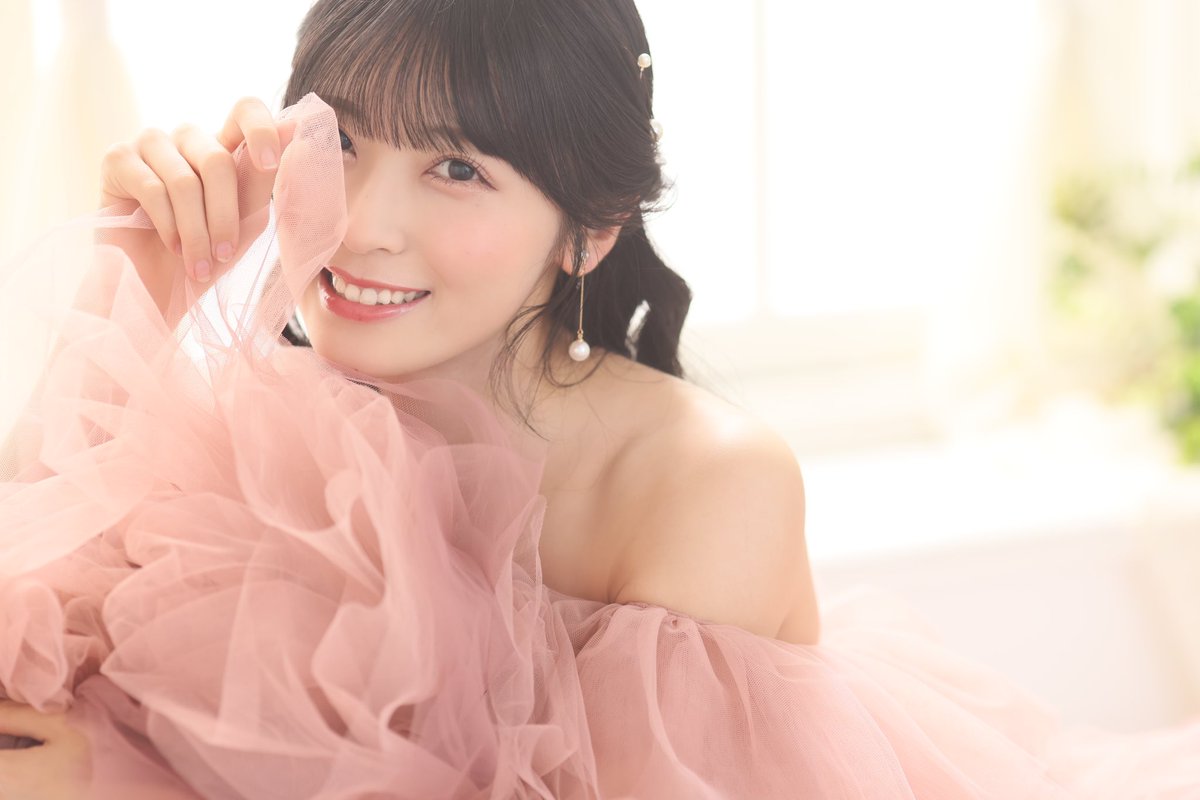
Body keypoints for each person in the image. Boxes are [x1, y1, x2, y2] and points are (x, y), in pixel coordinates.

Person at [0, 1, 1198, 797]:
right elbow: (23, 661)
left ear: (589, 230)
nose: (363, 224)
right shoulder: (283, 423)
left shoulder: (701, 483)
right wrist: (137, 283)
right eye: (344, 144)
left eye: (456, 166)